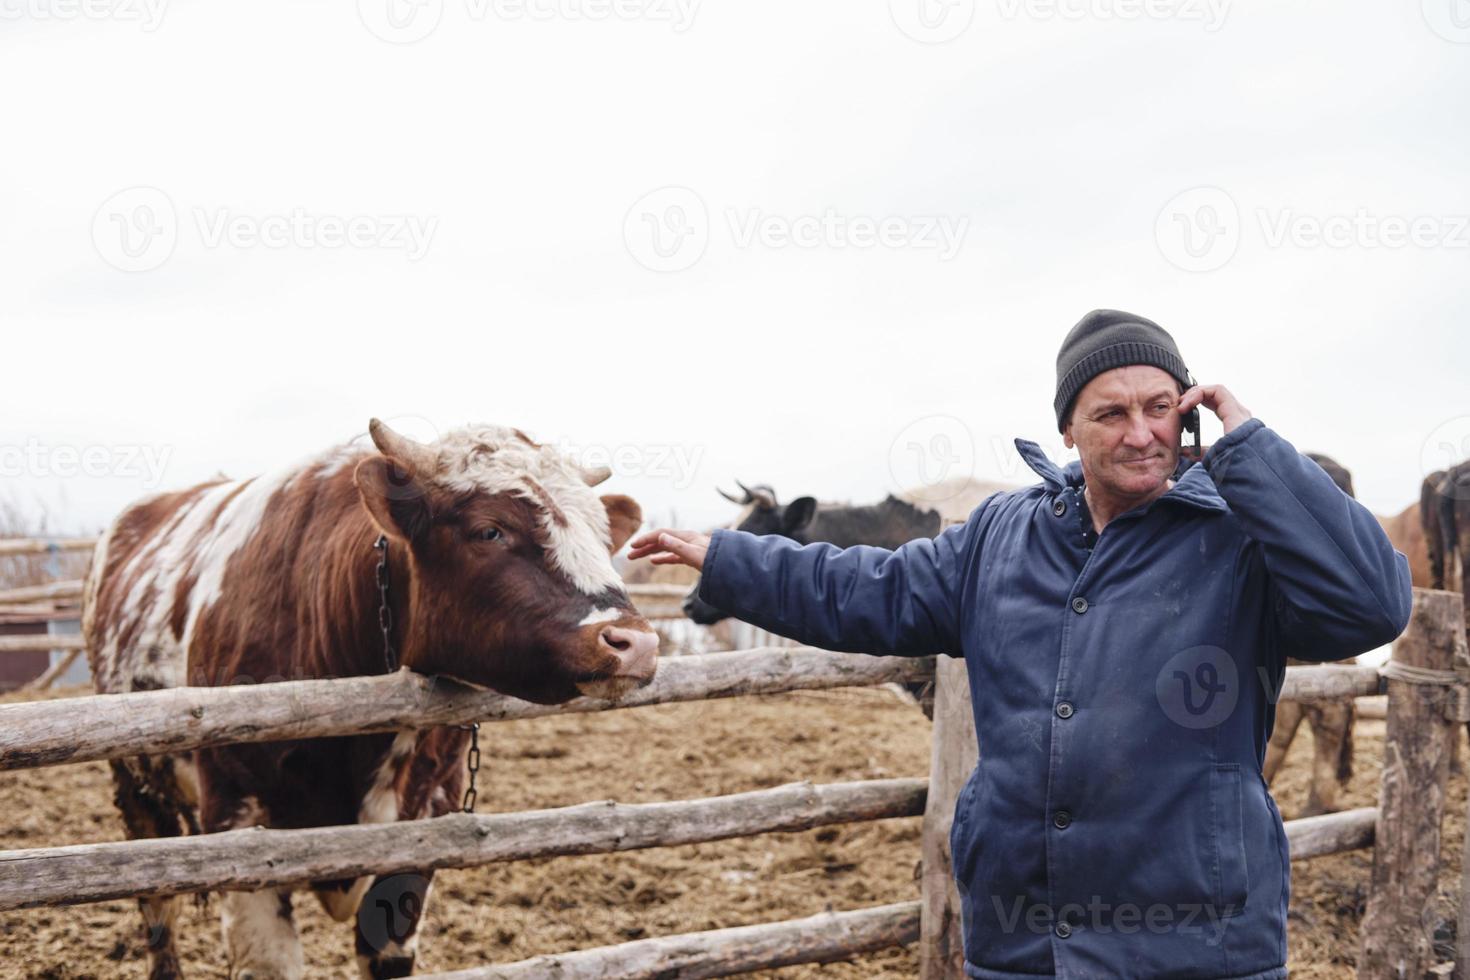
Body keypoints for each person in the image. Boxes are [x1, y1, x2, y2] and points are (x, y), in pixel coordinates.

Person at [629, 309, 1413, 979]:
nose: (1141, 433)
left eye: (1161, 407)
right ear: (1067, 427)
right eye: (1110, 413)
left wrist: (1250, 449)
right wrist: (728, 558)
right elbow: (873, 590)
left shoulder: (1239, 538)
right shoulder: (1004, 534)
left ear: (1192, 413)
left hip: (1193, 940)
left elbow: (1373, 604)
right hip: (1025, 937)